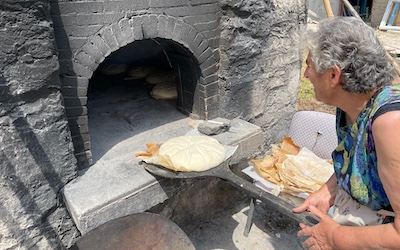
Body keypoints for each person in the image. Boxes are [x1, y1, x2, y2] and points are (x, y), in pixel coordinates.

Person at [293, 16, 400, 249]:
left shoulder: (391, 124)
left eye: (308, 65)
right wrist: (328, 190)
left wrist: (335, 238)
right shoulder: (353, 104)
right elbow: (360, 161)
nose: (305, 75)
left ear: (333, 75)